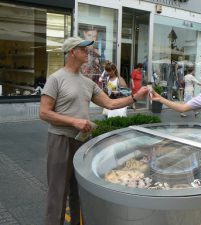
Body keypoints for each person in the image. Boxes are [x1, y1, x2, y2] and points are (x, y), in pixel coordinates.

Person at [39, 37, 148, 225]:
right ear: (72, 51)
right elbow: (44, 112)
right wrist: (74, 121)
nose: (88, 52)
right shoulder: (56, 79)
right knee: (57, 193)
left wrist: (134, 97)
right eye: (83, 49)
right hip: (61, 140)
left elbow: (110, 103)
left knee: (78, 192)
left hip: (82, 141)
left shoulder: (87, 82)